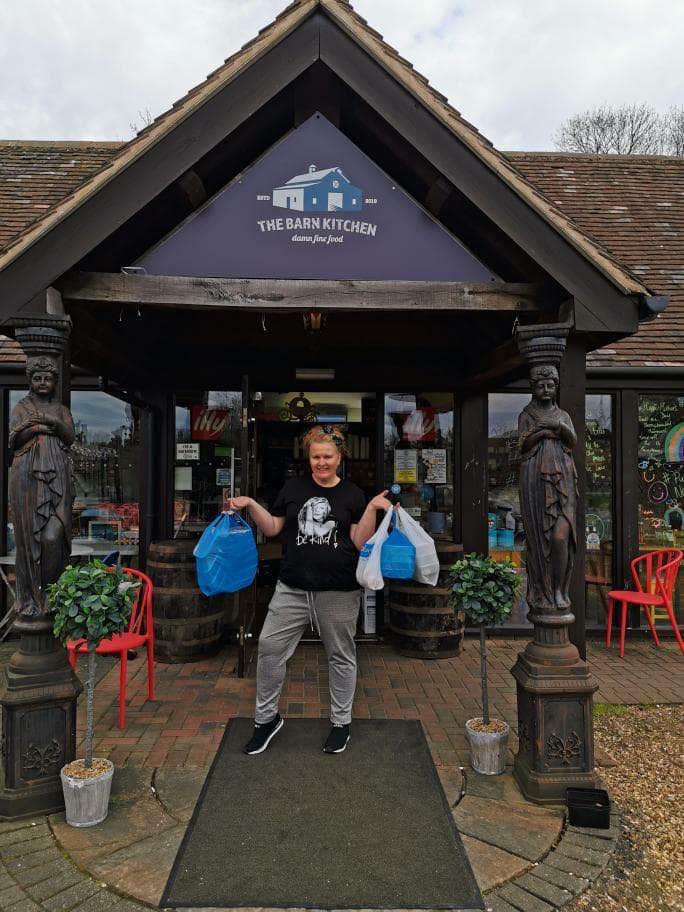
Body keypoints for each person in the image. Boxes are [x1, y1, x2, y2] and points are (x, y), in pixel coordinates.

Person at [228, 426, 392, 755]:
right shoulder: (293, 488)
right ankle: (266, 720)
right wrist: (249, 504)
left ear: (339, 458)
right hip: (291, 587)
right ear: (309, 458)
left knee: (341, 657)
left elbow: (360, 541)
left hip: (339, 589)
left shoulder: (353, 494)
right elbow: (274, 527)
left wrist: (373, 508)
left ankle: (340, 723)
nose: (321, 462)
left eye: (327, 456)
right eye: (316, 456)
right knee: (270, 648)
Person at [9, 356, 75, 618]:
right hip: (26, 477)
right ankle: (30, 597)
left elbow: (68, 435)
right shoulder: (21, 406)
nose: (43, 382)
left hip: (58, 476)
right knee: (28, 540)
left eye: (48, 378)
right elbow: (14, 438)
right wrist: (43, 426)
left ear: (55, 381)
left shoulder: (61, 409)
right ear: (30, 380)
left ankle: (52, 590)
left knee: (52, 536)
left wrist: (49, 422)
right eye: (37, 378)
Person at [518, 365, 578, 613]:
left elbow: (572, 440)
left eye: (550, 385)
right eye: (540, 385)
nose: (545, 389)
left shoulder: (562, 414)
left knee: (560, 536)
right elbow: (523, 444)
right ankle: (543, 588)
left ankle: (559, 590)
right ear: (533, 388)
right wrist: (544, 431)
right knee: (538, 540)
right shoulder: (527, 413)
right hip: (535, 478)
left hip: (563, 478)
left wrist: (559, 428)